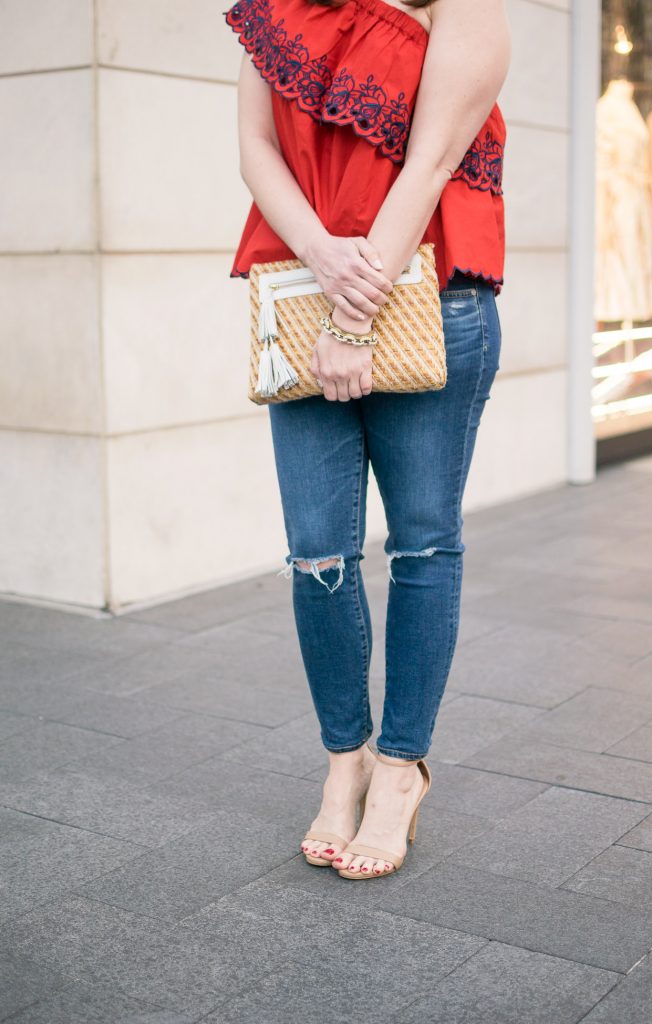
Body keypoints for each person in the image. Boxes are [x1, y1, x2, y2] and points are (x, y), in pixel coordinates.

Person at [224, 0, 511, 879]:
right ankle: (343, 757)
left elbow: (427, 166)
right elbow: (255, 148)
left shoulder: (467, 13)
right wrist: (319, 255)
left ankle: (399, 769)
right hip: (304, 287)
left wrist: (355, 314)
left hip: (428, 299)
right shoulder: (279, 12)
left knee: (423, 545)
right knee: (316, 553)